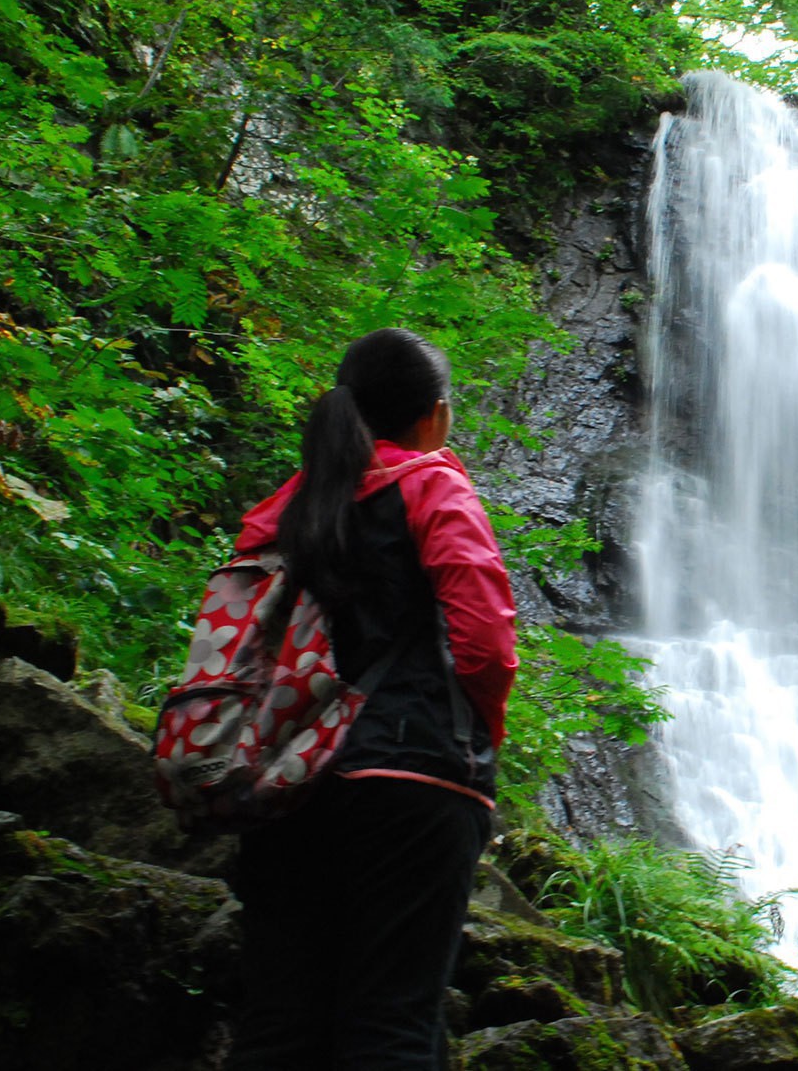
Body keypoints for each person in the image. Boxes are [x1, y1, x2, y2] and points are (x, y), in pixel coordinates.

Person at [225, 327, 518, 1069]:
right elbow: (483, 642)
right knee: (391, 1028)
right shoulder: (431, 484)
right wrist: (476, 741)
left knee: (276, 1028)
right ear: (435, 417)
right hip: (412, 782)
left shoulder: (281, 509)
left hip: (283, 783)